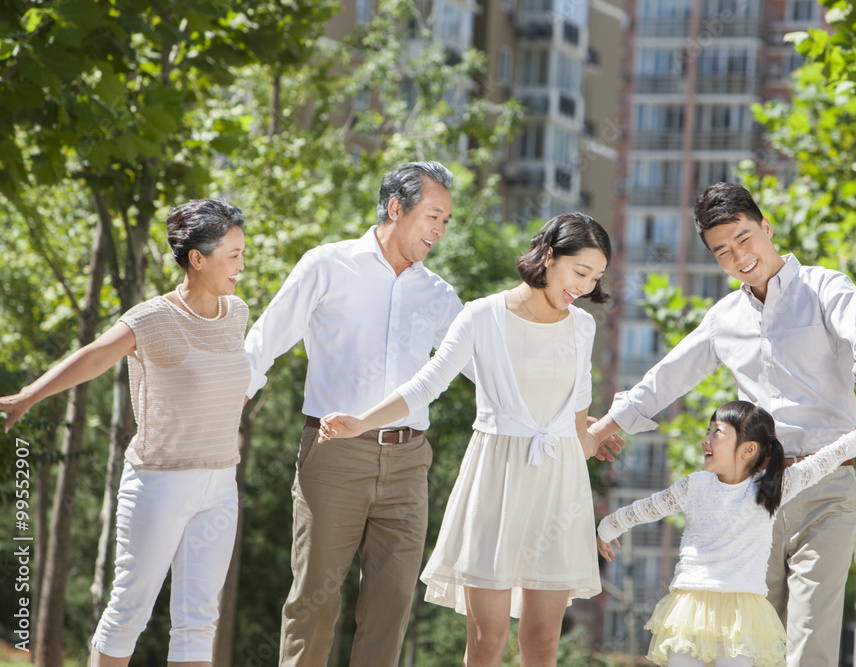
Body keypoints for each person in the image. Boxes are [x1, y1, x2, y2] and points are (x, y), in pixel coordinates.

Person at [588, 182, 856, 667]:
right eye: (722, 251)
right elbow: (665, 378)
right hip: (760, 494)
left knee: (810, 637)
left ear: (767, 227)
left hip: (827, 490)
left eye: (744, 238)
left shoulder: (824, 287)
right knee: (755, 643)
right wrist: (603, 427)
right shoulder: (724, 319)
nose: (738, 256)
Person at [319, 213, 613, 667]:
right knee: (487, 639)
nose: (587, 287)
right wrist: (362, 422)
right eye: (581, 272)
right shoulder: (483, 315)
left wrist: (607, 431)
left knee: (542, 641)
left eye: (596, 278)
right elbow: (426, 384)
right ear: (550, 257)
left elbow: (577, 428)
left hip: (559, 486)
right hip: (496, 480)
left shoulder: (582, 327)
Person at [0, 199, 249, 666]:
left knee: (199, 621)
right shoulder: (153, 318)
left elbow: (226, 379)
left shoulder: (237, 313)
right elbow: (93, 358)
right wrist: (27, 395)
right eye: (233, 254)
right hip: (159, 482)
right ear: (198, 258)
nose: (241, 265)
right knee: (128, 614)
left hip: (220, 486)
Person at [243, 161, 467, 666]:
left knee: (391, 606)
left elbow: (486, 367)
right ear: (395, 208)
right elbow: (263, 343)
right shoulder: (327, 265)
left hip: (410, 463)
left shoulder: (437, 294)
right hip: (334, 456)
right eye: (434, 216)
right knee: (315, 601)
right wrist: (224, 404)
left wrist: (569, 414)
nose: (440, 230)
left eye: (446, 221)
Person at [597, 401, 856, 667]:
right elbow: (647, 507)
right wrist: (606, 528)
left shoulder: (771, 487)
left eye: (717, 432)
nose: (706, 439)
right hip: (691, 606)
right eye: (708, 431)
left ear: (748, 450)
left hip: (743, 614)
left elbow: (824, 461)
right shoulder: (694, 486)